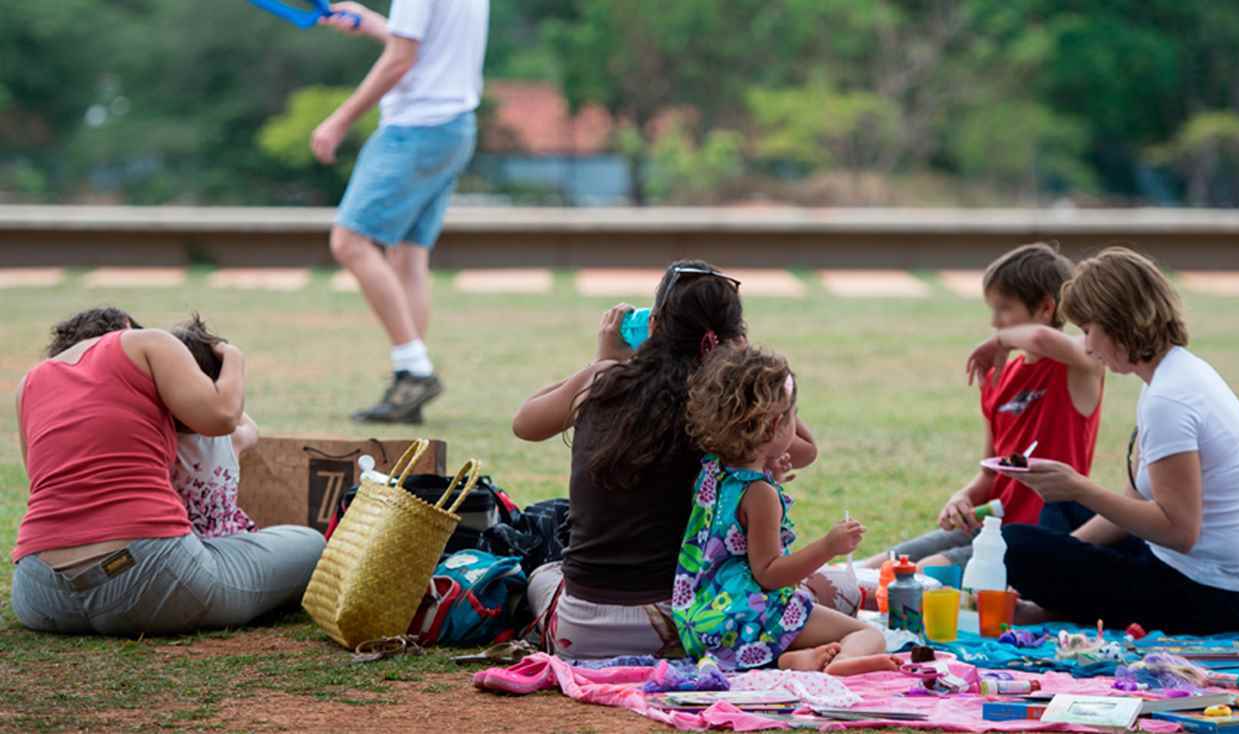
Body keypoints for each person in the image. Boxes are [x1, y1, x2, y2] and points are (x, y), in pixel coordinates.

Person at [513, 261, 819, 659]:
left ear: (654, 325)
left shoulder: (602, 381)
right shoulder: (728, 415)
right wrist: (749, 377)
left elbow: (525, 423)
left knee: (542, 575)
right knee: (823, 590)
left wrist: (602, 361)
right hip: (696, 624)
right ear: (736, 338)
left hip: (580, 629)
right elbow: (805, 449)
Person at [999, 247, 1239, 634]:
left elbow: (1179, 532)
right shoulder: (1171, 375)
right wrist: (1068, 550)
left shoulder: (1170, 399)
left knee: (1014, 546)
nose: (1087, 346)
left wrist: (1079, 489)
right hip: (1184, 568)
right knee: (1057, 514)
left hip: (1209, 595)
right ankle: (1055, 606)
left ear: (1117, 322)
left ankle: (1055, 608)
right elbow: (1137, 500)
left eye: (1088, 329)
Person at [11, 308, 324, 636]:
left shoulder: (28, 384)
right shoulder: (146, 342)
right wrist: (233, 356)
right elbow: (222, 416)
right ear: (127, 326)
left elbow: (39, 481)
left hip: (39, 593)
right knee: (310, 546)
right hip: (150, 580)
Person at [865, 242, 1104, 572]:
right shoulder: (1000, 379)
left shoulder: (1080, 366)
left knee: (922, 573)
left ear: (1047, 307)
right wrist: (962, 498)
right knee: (877, 566)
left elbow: (1042, 340)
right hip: (992, 527)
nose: (995, 322)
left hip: (1040, 537)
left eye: (1004, 308)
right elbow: (991, 474)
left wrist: (1001, 341)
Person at [313, 0, 489, 423]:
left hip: (415, 128)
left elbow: (400, 61)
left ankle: (415, 368)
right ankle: (409, 387)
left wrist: (338, 121)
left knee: (350, 241)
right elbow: (428, 44)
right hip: (455, 128)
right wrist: (376, 24)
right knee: (408, 255)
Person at [675, 345, 887, 674]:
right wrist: (828, 546)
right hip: (745, 619)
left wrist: (769, 468)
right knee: (868, 634)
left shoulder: (712, 469)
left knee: (809, 619)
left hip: (700, 621)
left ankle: (792, 659)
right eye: (793, 415)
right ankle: (841, 664)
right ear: (775, 425)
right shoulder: (760, 494)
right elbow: (770, 574)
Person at [169, 315, 259, 539]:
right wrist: (221, 397)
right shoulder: (232, 439)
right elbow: (251, 429)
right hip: (230, 541)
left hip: (181, 543)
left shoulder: (156, 438)